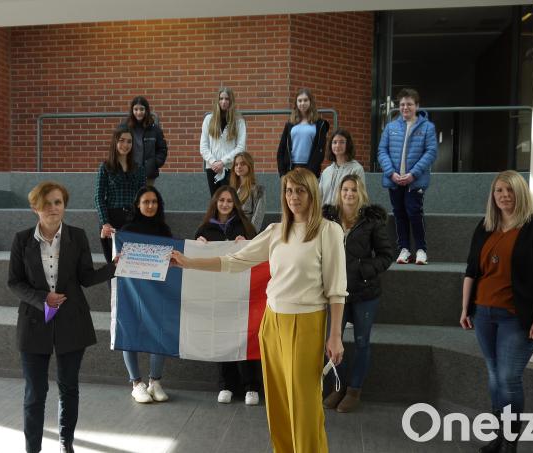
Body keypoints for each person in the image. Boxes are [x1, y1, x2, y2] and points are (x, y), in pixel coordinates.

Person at [171, 168, 347, 453]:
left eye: (300, 191)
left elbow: (337, 289)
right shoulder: (276, 231)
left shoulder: (329, 231)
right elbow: (235, 261)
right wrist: (189, 263)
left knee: (304, 404)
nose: (293, 197)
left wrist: (335, 335)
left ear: (312, 193)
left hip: (307, 323)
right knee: (277, 402)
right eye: (289, 191)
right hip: (272, 322)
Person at [459, 170, 533, 453]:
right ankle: (500, 436)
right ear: (493, 195)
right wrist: (466, 308)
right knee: (494, 374)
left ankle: (511, 442)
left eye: (510, 190)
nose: (504, 196)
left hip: (517, 317)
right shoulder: (485, 227)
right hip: (483, 313)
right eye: (499, 190)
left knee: (508, 377)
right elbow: (471, 271)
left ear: (521, 193)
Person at [9, 181, 115, 453]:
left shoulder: (77, 236)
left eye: (58, 202)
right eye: (47, 203)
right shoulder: (21, 239)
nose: (53, 208)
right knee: (35, 392)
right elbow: (14, 283)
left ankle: (66, 443)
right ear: (35, 208)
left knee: (69, 388)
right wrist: (42, 298)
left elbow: (86, 277)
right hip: (34, 323)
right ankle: (32, 448)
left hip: (71, 322)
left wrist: (113, 268)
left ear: (64, 206)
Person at [321, 174, 392, 413]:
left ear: (359, 193)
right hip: (335, 293)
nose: (349, 194)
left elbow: (386, 255)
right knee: (332, 341)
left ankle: (354, 390)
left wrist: (363, 270)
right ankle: (338, 387)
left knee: (362, 342)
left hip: (364, 292)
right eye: (345, 190)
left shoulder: (372, 220)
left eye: (353, 190)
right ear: (339, 193)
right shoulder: (327, 218)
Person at [193, 186, 261, 406]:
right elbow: (194, 264)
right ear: (215, 202)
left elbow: (260, 254)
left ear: (235, 205)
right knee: (221, 338)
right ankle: (226, 385)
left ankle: (251, 386)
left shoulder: (246, 228)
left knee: (245, 337)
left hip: (243, 294)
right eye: (221, 200)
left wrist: (248, 245)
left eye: (229, 201)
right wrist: (198, 248)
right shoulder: (203, 230)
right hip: (217, 295)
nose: (224, 204)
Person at [107, 186, 173, 403]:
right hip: (132, 290)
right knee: (130, 332)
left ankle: (155, 382)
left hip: (157, 290)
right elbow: (114, 259)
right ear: (138, 204)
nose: (150, 205)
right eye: (146, 202)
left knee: (159, 333)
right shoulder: (127, 229)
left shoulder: (164, 230)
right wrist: (108, 238)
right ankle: (136, 383)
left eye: (154, 201)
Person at [376, 88, 437, 265]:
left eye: (409, 104)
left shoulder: (427, 127)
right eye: (402, 104)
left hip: (414, 181)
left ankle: (420, 250)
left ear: (417, 106)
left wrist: (413, 174)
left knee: (413, 212)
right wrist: (391, 173)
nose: (405, 108)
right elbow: (382, 151)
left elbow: (431, 152)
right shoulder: (391, 127)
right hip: (394, 180)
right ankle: (404, 249)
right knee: (399, 213)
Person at [95, 125, 146, 262]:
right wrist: (105, 222)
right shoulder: (105, 167)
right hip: (111, 220)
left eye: (129, 141)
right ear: (115, 142)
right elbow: (98, 197)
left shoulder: (139, 169)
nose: (125, 144)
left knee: (132, 265)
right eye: (122, 140)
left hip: (132, 219)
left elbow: (143, 198)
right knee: (113, 266)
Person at [199, 87, 247, 195]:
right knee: (215, 200)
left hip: (230, 167)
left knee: (230, 199)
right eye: (221, 99)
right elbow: (203, 146)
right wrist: (213, 162)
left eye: (227, 99)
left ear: (231, 101)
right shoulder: (209, 120)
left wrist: (223, 162)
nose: (224, 102)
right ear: (217, 100)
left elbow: (240, 147)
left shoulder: (239, 121)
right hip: (212, 168)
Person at [276, 88, 329, 178]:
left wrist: (311, 170)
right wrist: (282, 173)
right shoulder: (290, 123)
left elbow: (320, 151)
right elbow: (281, 149)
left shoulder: (320, 124)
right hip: (291, 168)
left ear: (311, 102)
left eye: (305, 100)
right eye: (299, 101)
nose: (302, 103)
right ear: (296, 103)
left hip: (310, 169)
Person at [122, 96, 168, 186]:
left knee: (147, 197)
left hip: (148, 173)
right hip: (129, 171)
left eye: (142, 109)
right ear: (132, 110)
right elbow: (117, 146)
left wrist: (155, 163)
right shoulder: (124, 127)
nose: (139, 112)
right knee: (133, 199)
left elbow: (162, 149)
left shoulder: (155, 129)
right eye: (136, 109)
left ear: (146, 110)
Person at [318, 129, 365, 205]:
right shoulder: (326, 171)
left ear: (348, 145)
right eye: (334, 142)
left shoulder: (356, 169)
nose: (337, 145)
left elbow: (360, 197)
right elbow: (319, 196)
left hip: (345, 215)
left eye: (342, 142)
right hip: (325, 215)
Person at [228, 151, 266, 233]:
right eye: (236, 164)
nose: (239, 167)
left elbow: (258, 217)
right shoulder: (231, 190)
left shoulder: (258, 190)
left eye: (242, 164)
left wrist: (249, 234)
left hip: (245, 234)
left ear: (249, 166)